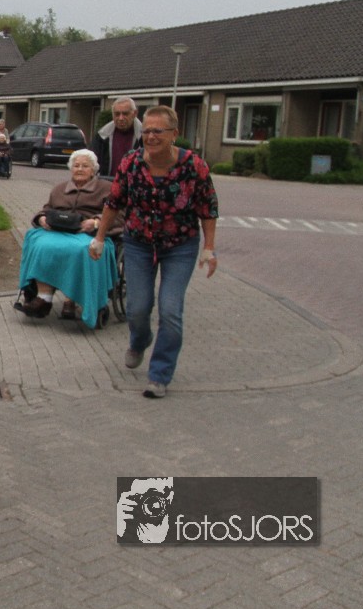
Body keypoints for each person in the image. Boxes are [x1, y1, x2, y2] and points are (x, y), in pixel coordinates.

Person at [89, 105, 218, 399]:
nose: (150, 137)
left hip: (180, 246)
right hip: (139, 244)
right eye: (146, 131)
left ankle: (159, 374)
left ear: (174, 134)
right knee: (137, 307)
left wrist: (209, 248)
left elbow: (208, 208)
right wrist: (99, 238)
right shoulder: (131, 163)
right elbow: (114, 202)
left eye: (158, 131)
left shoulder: (194, 166)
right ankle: (140, 340)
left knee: (170, 310)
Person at [16, 149, 119, 327]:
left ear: (93, 170)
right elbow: (46, 209)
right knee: (40, 243)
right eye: (76, 165)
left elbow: (118, 215)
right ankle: (44, 297)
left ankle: (71, 299)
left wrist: (96, 222)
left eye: (85, 166)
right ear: (71, 168)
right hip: (58, 231)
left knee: (81, 250)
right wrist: (42, 219)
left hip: (90, 233)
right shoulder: (59, 189)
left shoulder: (106, 189)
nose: (80, 169)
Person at [91, 96, 143, 177]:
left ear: (135, 113)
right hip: (107, 183)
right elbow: (92, 163)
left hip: (135, 184)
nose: (121, 118)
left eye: (125, 114)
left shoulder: (145, 137)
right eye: (117, 114)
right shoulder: (102, 136)